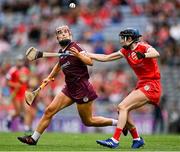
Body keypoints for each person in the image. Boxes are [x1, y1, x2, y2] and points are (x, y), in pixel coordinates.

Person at [17, 25, 118, 145]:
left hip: (82, 88)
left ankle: (119, 123)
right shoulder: (62, 52)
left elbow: (90, 62)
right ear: (57, 38)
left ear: (70, 35)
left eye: (66, 32)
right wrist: (49, 77)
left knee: (88, 121)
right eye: (60, 33)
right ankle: (33, 138)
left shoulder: (75, 47)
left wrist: (79, 55)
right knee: (49, 111)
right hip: (69, 88)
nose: (63, 34)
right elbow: (59, 65)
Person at [85, 28, 162, 149]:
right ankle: (137, 139)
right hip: (142, 84)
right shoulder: (125, 51)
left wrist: (144, 55)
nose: (121, 40)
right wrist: (87, 54)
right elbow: (106, 57)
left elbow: (156, 53)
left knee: (122, 107)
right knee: (121, 110)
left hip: (152, 85)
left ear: (130, 39)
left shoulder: (143, 46)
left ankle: (115, 140)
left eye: (123, 38)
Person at [6, 55, 29, 130]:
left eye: (21, 61)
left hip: (23, 93)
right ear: (16, 61)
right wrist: (15, 85)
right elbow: (7, 83)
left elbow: (26, 80)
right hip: (15, 94)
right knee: (18, 112)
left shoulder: (25, 70)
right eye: (19, 61)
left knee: (26, 109)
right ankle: (10, 117)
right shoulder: (12, 70)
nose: (20, 62)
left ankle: (26, 127)